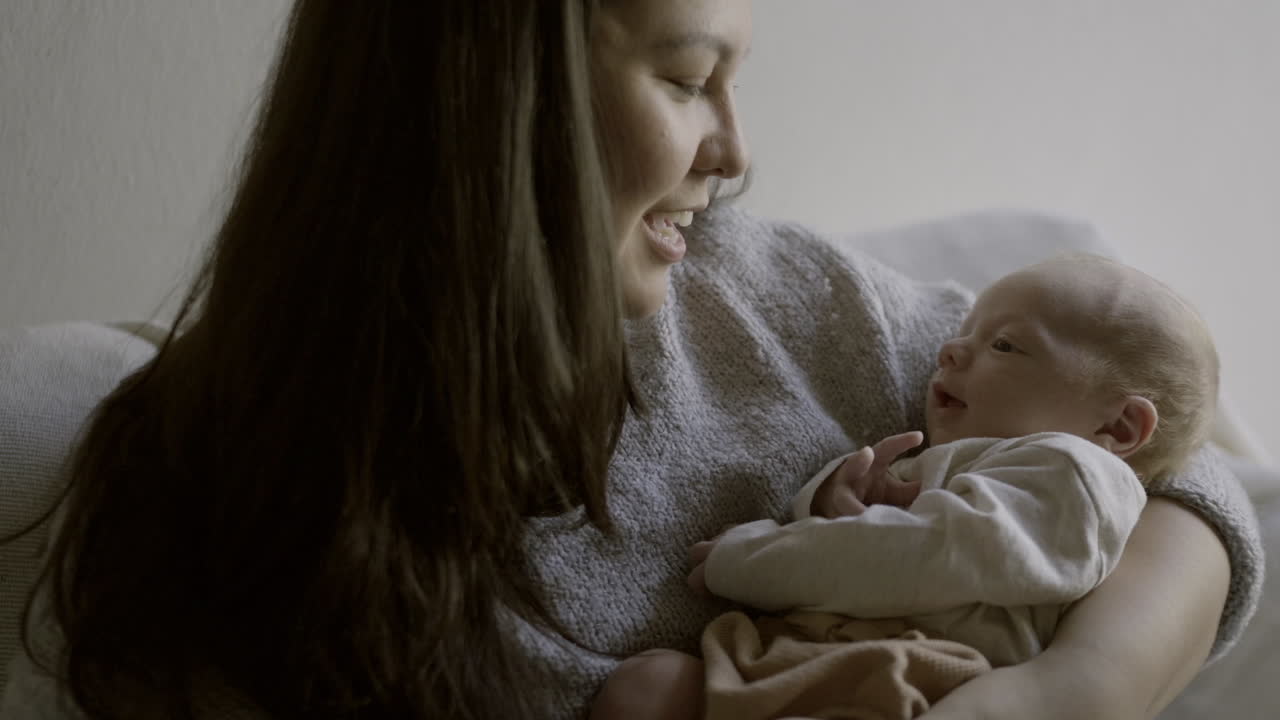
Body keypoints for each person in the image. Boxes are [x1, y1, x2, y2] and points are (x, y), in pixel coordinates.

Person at [0, 1, 1260, 719]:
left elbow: (1172, 462)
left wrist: (1075, 692)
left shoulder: (778, 295)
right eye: (685, 77)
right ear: (499, 104)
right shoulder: (217, 513)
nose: (733, 152)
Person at [590, 253, 1222, 719]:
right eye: (964, 334)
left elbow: (932, 552)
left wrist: (751, 557)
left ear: (1118, 425)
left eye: (1004, 344)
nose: (950, 351)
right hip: (825, 657)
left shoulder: (1079, 477)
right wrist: (835, 498)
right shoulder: (970, 461)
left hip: (924, 679)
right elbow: (897, 536)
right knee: (644, 688)